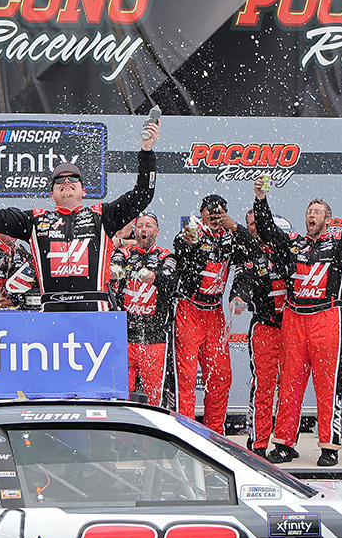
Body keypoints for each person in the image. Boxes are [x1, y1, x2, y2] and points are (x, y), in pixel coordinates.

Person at [0, 120, 160, 312]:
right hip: (52, 311)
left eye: (73, 178)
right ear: (51, 193)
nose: (66, 181)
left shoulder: (102, 216)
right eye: (59, 180)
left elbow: (143, 195)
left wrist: (147, 151)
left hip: (93, 310)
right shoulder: (36, 220)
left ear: (84, 190)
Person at [256, 168, 342, 466]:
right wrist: (261, 198)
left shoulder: (341, 245)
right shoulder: (295, 244)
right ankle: (284, 443)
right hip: (294, 317)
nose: (312, 215)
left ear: (327, 219)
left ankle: (329, 446)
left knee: (326, 384)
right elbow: (269, 231)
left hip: (326, 315)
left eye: (317, 211)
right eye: (309, 211)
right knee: (290, 382)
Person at [172, 194, 254, 432]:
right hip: (189, 308)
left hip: (215, 312)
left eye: (220, 211)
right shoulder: (192, 231)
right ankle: (184, 433)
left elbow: (252, 253)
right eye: (210, 211)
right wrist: (192, 239)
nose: (215, 216)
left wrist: (239, 294)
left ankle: (215, 434)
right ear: (202, 213)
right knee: (186, 378)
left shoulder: (231, 237)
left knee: (220, 377)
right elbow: (182, 247)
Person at [228, 208, 291, 458]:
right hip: (265, 327)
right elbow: (242, 280)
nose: (255, 228)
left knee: (289, 387)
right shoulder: (250, 254)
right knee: (264, 386)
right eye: (250, 224)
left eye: (259, 223)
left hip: (293, 327)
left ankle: (287, 441)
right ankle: (259, 441)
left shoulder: (287, 247)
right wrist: (239, 298)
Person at [109, 212, 177, 405]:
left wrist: (153, 276)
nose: (144, 229)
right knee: (121, 394)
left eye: (149, 226)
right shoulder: (124, 254)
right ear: (135, 231)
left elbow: (170, 277)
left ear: (157, 231)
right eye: (140, 226)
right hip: (126, 337)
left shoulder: (166, 256)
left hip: (154, 338)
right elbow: (113, 268)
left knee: (154, 397)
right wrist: (115, 272)